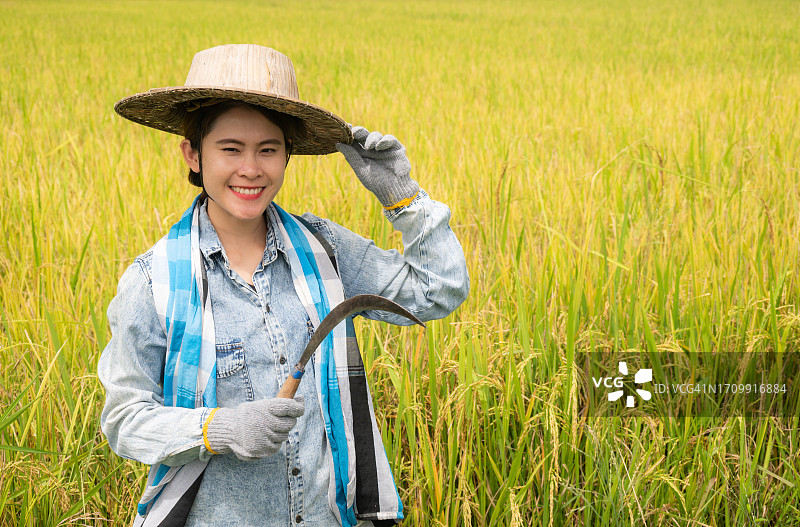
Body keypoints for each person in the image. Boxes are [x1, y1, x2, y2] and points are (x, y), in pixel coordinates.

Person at [98, 44, 469, 526]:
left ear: (288, 155)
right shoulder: (153, 282)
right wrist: (218, 428)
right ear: (193, 153)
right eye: (230, 149)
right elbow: (124, 420)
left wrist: (403, 197)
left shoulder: (324, 250)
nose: (251, 169)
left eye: (268, 150)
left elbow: (438, 290)